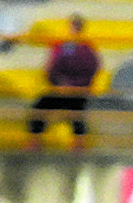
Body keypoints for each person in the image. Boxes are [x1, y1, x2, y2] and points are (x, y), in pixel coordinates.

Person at [31, 13, 102, 142]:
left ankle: (79, 143)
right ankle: (35, 140)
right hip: (60, 89)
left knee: (78, 110)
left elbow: (92, 70)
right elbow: (50, 69)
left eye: (77, 27)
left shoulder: (88, 49)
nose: (74, 30)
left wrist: (75, 86)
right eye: (72, 26)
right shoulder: (59, 46)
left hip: (78, 91)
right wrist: (58, 84)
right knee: (39, 106)